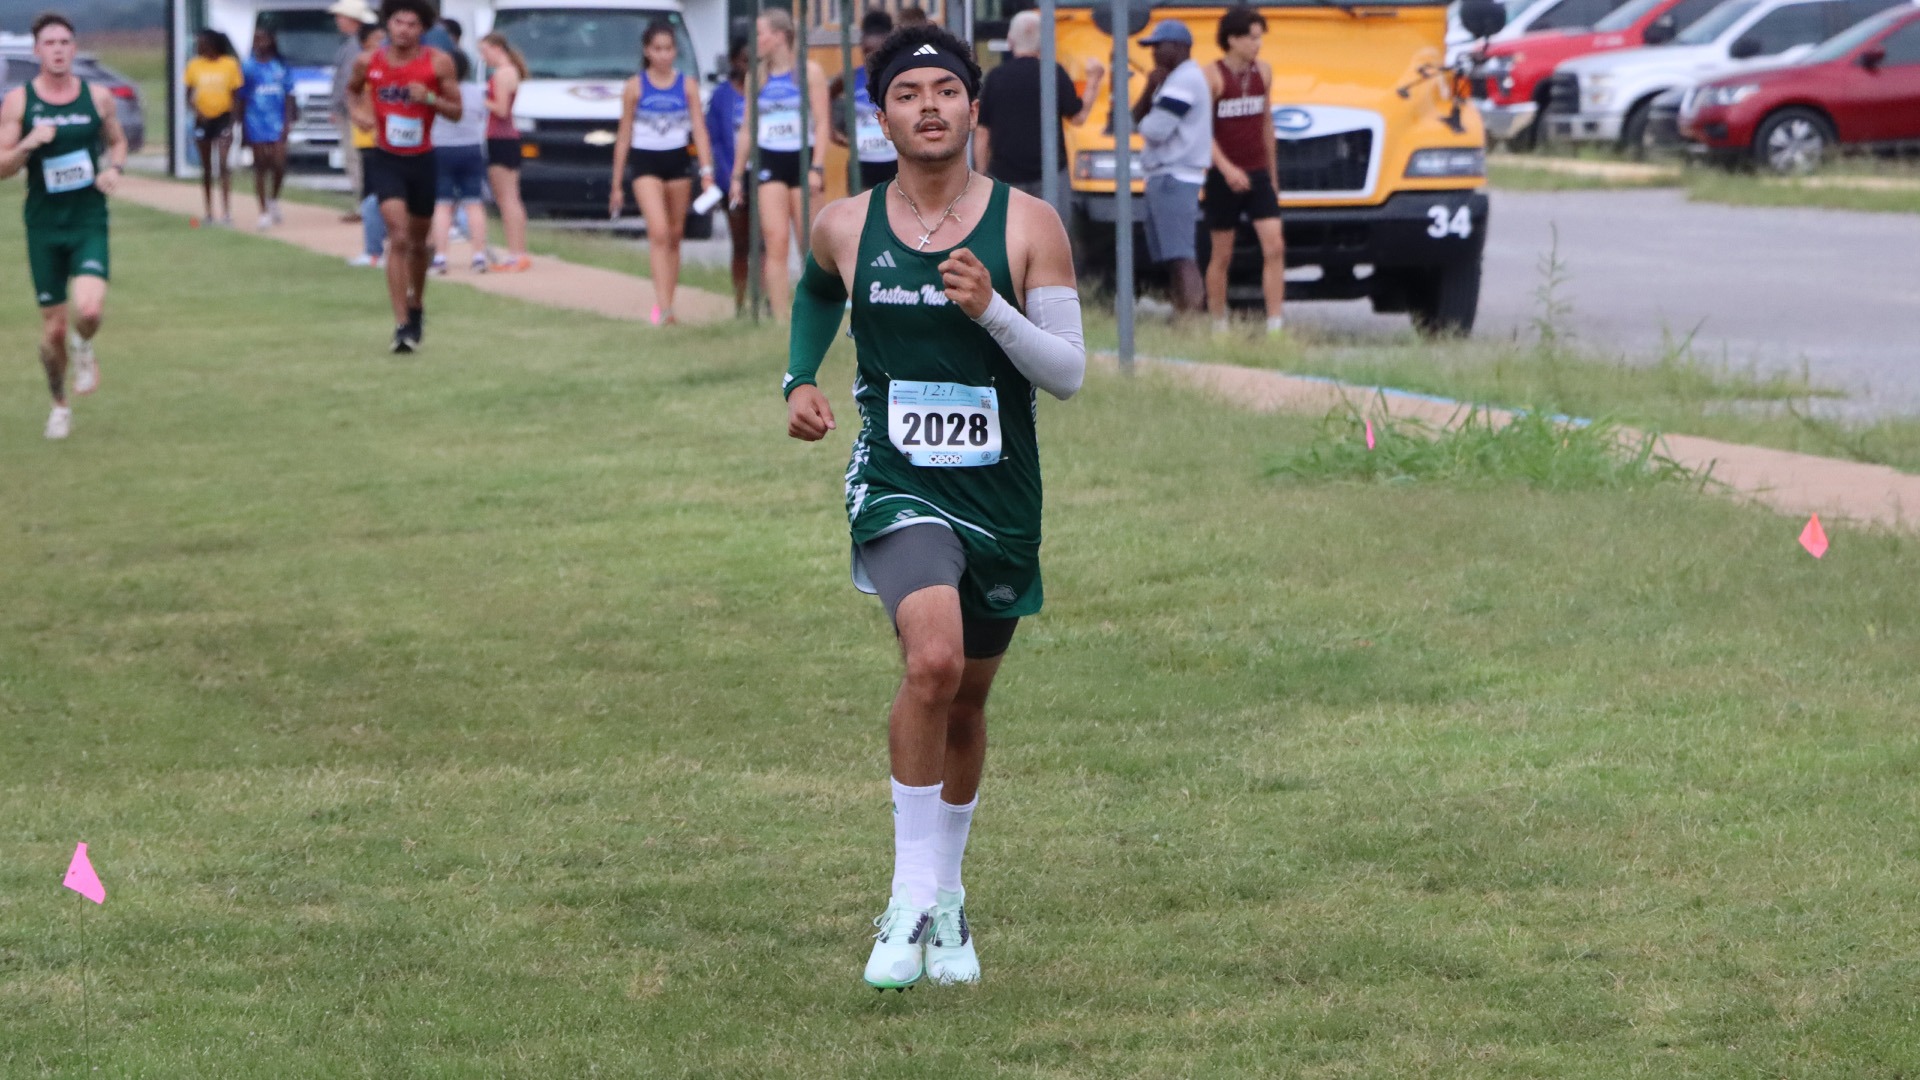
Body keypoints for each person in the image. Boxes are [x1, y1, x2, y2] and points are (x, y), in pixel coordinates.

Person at [783, 22, 1086, 991]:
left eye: (945, 91)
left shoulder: (1030, 223)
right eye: (909, 92)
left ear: (971, 107)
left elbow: (1069, 375)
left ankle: (948, 897)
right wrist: (797, 378)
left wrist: (990, 309)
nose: (929, 106)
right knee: (933, 661)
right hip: (895, 478)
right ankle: (908, 893)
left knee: (970, 698)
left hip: (999, 489)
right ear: (884, 115)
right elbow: (813, 292)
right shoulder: (843, 221)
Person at [0, 12, 128, 440]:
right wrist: (28, 144)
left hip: (88, 219)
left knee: (89, 310)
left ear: (74, 49)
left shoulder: (98, 98)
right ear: (37, 51)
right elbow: (2, 166)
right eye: (50, 42)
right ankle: (59, 404)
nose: (58, 49)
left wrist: (116, 169)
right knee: (52, 329)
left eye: (65, 42)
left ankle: (85, 345)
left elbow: (117, 140)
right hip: (43, 226)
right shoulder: (19, 101)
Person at [347, 0, 461, 353]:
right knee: (396, 237)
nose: (404, 29)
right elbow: (351, 90)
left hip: (422, 160)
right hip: (386, 158)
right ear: (388, 24)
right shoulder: (369, 61)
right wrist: (358, 114)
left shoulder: (437, 63)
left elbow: (456, 111)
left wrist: (429, 97)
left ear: (421, 29)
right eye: (398, 22)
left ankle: (417, 304)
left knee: (417, 244)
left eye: (412, 24)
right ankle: (400, 326)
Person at [611, 20, 716, 325]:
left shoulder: (687, 85)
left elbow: (699, 129)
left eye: (668, 48)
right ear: (647, 51)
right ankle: (663, 307)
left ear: (675, 51)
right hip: (645, 163)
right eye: (657, 49)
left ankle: (669, 301)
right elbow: (624, 134)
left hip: (678, 162)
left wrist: (706, 171)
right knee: (658, 232)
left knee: (674, 235)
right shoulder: (635, 86)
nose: (663, 55)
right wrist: (616, 183)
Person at [728, 7, 829, 319]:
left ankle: (814, 312)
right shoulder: (755, 76)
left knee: (809, 245)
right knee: (775, 242)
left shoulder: (808, 72)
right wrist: (736, 175)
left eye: (760, 33)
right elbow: (747, 128)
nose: (755, 40)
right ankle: (781, 319)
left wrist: (817, 167)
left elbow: (823, 123)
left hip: (802, 160)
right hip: (769, 159)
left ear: (780, 36)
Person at [974, 9, 1104, 223]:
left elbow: (982, 131)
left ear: (1010, 40)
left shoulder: (996, 78)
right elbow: (1078, 117)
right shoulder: (1053, 72)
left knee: (1010, 241)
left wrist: (981, 173)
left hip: (1006, 177)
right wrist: (1094, 80)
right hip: (1049, 175)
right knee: (1051, 241)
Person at [1204, 7, 1284, 335]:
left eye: (1260, 37)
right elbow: (1201, 131)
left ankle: (1276, 324)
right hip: (1224, 176)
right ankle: (1218, 324)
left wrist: (1273, 176)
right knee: (1222, 253)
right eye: (1252, 37)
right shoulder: (1211, 76)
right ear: (1233, 39)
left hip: (1258, 172)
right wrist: (1225, 168)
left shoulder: (1263, 72)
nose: (1258, 44)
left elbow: (1266, 123)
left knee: (1275, 245)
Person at [1132, 20, 1210, 315]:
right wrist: (1152, 87)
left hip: (1175, 175)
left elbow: (1153, 129)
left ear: (1179, 47)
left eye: (1158, 46)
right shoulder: (1173, 80)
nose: (1153, 53)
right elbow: (1136, 118)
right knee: (1170, 255)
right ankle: (1183, 315)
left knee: (1181, 255)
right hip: (1167, 175)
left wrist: (1152, 94)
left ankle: (1191, 320)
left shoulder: (1183, 81)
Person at [428, 49, 489, 275]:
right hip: (471, 148)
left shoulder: (435, 92)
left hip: (441, 148)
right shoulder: (476, 92)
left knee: (442, 205)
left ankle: (441, 256)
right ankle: (479, 256)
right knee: (473, 203)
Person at [828, 9, 899, 193]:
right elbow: (827, 94)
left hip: (895, 162)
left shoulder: (899, 77)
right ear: (861, 46)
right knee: (861, 215)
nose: (872, 57)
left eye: (878, 52)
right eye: (867, 51)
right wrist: (832, 131)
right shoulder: (850, 78)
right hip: (861, 163)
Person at [479, 31, 532, 272]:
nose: (484, 57)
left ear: (496, 48)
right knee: (512, 196)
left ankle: (515, 253)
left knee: (506, 198)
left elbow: (500, 109)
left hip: (499, 137)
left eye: (485, 51)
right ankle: (518, 251)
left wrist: (480, 100)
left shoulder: (502, 74)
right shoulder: (511, 72)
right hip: (508, 137)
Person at [704, 36, 750, 312]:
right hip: (732, 178)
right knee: (741, 243)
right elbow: (715, 140)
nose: (749, 66)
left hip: (764, 174)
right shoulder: (722, 95)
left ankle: (768, 299)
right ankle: (740, 301)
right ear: (734, 61)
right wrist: (727, 175)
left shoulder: (766, 89)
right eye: (745, 60)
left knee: (765, 242)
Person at [185, 29, 243, 226]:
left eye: (201, 43)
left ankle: (227, 212)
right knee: (207, 167)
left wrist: (233, 121)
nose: (198, 47)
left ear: (211, 44)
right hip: (203, 120)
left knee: (224, 164)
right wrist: (195, 110)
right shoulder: (194, 66)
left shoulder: (229, 65)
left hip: (223, 118)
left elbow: (236, 96)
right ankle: (209, 211)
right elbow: (188, 94)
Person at [240, 27, 295, 230]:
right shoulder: (248, 67)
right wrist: (241, 128)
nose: (260, 43)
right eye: (256, 40)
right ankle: (262, 211)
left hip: (277, 121)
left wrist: (288, 123)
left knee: (279, 163)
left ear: (271, 41)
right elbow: (241, 98)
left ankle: (273, 199)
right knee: (260, 166)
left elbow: (289, 95)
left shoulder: (280, 66)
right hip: (255, 121)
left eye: (263, 39)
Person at [329, 0, 377, 223]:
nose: (338, 21)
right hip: (353, 109)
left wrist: (340, 106)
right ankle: (364, 204)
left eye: (341, 17)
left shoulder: (356, 47)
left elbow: (348, 82)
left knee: (356, 158)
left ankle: (364, 206)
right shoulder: (351, 44)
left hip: (354, 111)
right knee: (356, 158)